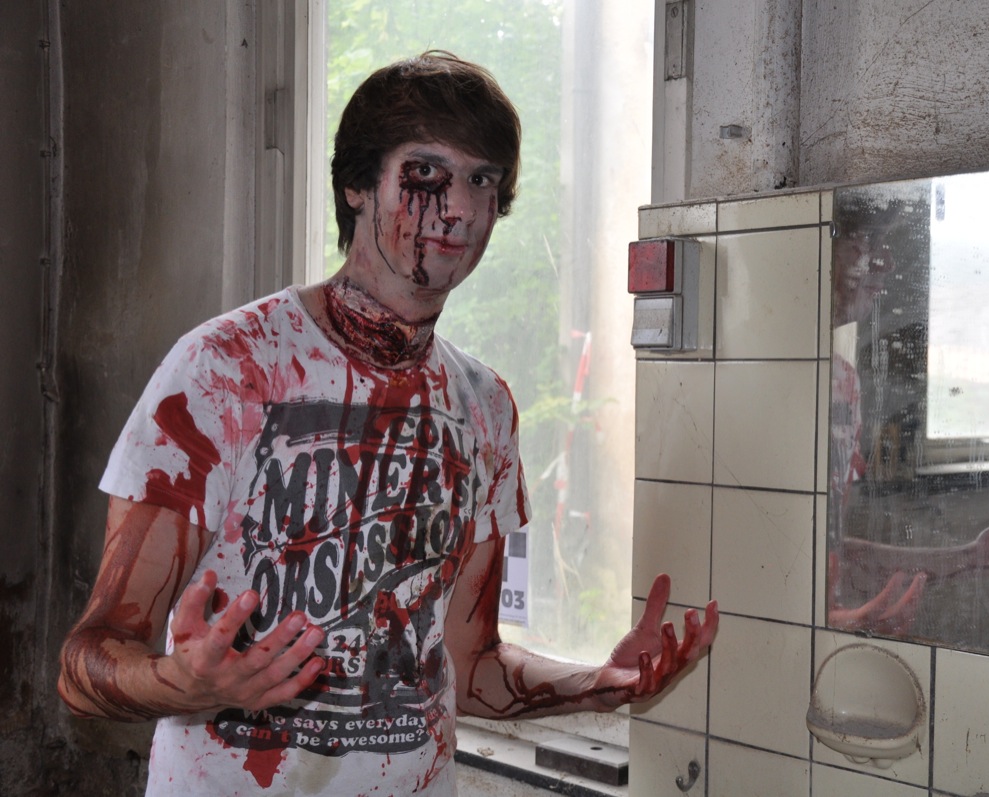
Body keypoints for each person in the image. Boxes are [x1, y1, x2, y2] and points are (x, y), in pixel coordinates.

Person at [57, 52, 718, 796]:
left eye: (483, 180)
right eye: (427, 172)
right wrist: (186, 683)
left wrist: (598, 684)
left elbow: (469, 668)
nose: (460, 208)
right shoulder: (226, 368)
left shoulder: (484, 405)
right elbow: (85, 664)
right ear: (357, 184)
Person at [826, 200, 989, 634]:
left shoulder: (842, 382)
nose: (886, 261)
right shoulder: (751, 385)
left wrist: (974, 556)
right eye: (866, 240)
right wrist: (836, 623)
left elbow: (827, 553)